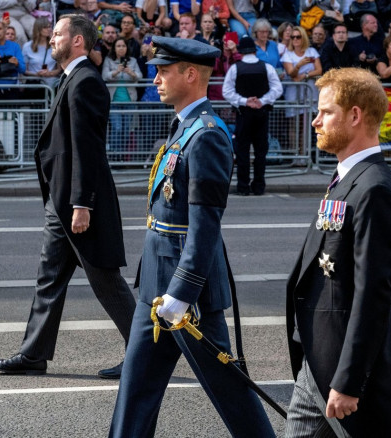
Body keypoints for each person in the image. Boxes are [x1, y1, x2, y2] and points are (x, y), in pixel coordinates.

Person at [108, 36, 276, 437]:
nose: (156, 80)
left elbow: (205, 226)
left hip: (188, 292)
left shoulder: (207, 135)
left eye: (164, 72)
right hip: (157, 281)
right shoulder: (183, 125)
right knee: (135, 389)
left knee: (229, 390)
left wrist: (181, 294)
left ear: (190, 75)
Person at [0, 14, 136, 380]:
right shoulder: (72, 79)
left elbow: (87, 149)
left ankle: (145, 355)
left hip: (78, 203)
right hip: (62, 201)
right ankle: (33, 354)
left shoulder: (86, 82)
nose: (51, 39)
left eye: (57, 34)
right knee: (49, 278)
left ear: (78, 42)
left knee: (105, 281)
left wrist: (83, 203)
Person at [285, 67, 391, 438]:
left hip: (342, 362)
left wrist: (348, 381)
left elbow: (374, 294)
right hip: (321, 353)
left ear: (355, 115)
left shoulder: (373, 188)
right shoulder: (347, 177)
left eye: (325, 112)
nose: (315, 121)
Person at [223, 36, 282, 195]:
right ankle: (259, 186)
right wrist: (262, 101)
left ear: (241, 51)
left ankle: (243, 186)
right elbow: (277, 89)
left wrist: (243, 101)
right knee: (260, 152)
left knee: (242, 151)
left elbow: (226, 91)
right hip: (262, 113)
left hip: (244, 113)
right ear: (254, 51)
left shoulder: (236, 68)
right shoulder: (266, 67)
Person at [281, 26, 322, 166]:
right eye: (292, 37)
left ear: (303, 37)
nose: (295, 40)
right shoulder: (288, 54)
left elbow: (319, 69)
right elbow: (291, 74)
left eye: (298, 37)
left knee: (306, 125)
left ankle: (305, 155)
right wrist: (298, 65)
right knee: (293, 125)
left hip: (309, 93)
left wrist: (304, 75)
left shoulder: (311, 51)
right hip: (293, 93)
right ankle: (295, 155)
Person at [102, 37, 141, 153]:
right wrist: (116, 71)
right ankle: (115, 155)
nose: (121, 48)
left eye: (123, 46)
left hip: (129, 101)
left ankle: (124, 156)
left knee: (126, 130)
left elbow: (139, 76)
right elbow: (104, 76)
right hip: (114, 101)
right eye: (118, 46)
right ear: (114, 48)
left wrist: (131, 73)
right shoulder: (109, 60)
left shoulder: (133, 61)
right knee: (117, 128)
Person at [22, 17, 61, 87]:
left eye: (49, 27)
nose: (49, 29)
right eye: (45, 27)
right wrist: (36, 74)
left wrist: (49, 73)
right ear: (38, 29)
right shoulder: (27, 46)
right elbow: (24, 70)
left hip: (52, 85)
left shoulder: (55, 46)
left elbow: (59, 69)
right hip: (35, 85)